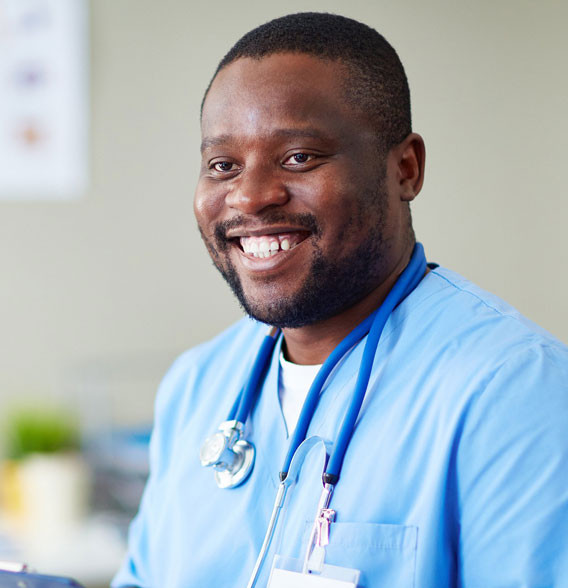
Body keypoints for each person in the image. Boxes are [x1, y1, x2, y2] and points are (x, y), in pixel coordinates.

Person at [112, 12, 568, 588]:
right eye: (222, 166)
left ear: (405, 168)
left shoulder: (515, 391)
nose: (250, 197)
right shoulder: (196, 386)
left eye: (299, 157)